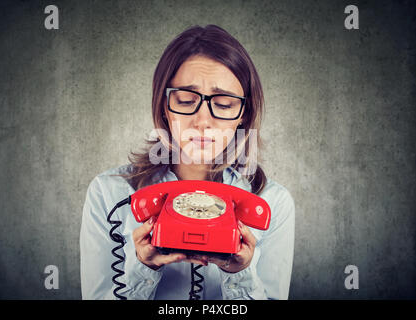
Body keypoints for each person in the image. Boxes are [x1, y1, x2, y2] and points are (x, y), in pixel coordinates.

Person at [80, 24, 295, 300]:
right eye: (184, 100)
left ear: (244, 112)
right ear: (164, 107)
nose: (203, 122)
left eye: (224, 104)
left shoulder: (273, 202)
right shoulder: (109, 193)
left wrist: (240, 274)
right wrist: (142, 269)